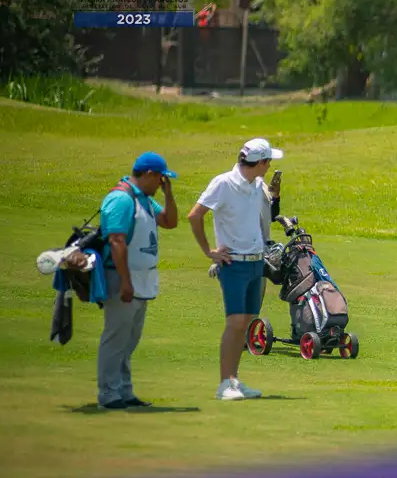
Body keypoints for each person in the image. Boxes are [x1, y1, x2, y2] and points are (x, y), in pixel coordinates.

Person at [188, 139, 283, 401]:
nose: (270, 166)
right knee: (235, 323)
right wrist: (209, 251)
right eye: (268, 162)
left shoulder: (257, 185)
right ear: (260, 162)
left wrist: (275, 197)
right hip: (233, 264)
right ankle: (224, 384)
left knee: (247, 322)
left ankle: (234, 381)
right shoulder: (223, 183)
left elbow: (266, 213)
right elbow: (195, 215)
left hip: (256, 262)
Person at [97, 152, 179, 409]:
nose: (161, 183)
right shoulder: (122, 199)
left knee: (129, 339)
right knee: (115, 338)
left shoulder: (144, 198)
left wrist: (168, 194)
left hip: (141, 279)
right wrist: (125, 281)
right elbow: (116, 241)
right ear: (149, 174)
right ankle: (109, 394)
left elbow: (170, 221)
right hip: (121, 277)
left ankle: (124, 390)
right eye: (160, 179)